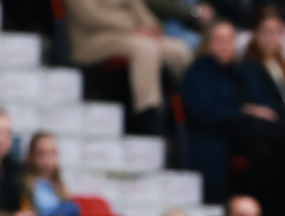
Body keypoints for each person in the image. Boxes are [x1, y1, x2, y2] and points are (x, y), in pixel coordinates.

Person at [182, 20, 285, 205]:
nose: (224, 46)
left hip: (240, 135)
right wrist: (242, 111)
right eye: (218, 40)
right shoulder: (198, 71)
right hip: (210, 134)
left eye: (229, 40)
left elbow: (257, 100)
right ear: (207, 43)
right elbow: (204, 111)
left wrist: (253, 111)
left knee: (277, 149)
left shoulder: (238, 71)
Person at [64, 0, 194, 134]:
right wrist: (133, 27)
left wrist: (151, 26)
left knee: (180, 51)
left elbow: (139, 9)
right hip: (94, 37)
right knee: (145, 49)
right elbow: (88, 16)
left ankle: (181, 111)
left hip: (132, 34)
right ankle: (148, 113)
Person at [236, 6, 285, 216]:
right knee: (272, 160)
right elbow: (264, 105)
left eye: (276, 32)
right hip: (269, 134)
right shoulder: (249, 66)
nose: (271, 37)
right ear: (255, 34)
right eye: (266, 31)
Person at [20, 133, 83, 216]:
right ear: (32, 155)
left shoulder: (59, 185)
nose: (47, 157)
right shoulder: (24, 184)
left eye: (52, 152)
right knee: (71, 208)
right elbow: (26, 215)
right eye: (42, 153)